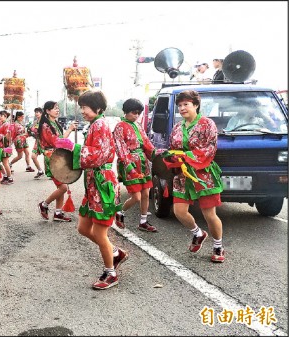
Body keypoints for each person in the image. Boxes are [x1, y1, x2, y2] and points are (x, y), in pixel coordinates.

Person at [54, 89, 124, 290]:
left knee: (100, 233)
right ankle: (115, 253)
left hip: (102, 184)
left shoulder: (100, 125)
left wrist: (73, 148)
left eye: (84, 107)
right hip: (94, 183)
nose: (82, 110)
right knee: (83, 228)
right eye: (81, 107)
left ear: (98, 108)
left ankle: (111, 273)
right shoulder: (95, 125)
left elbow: (97, 156)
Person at [165, 90, 226, 263]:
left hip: (203, 173)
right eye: (180, 105)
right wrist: (171, 156)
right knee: (179, 211)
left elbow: (210, 149)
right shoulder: (177, 127)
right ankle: (198, 234)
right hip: (182, 174)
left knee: (209, 214)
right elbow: (172, 146)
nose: (182, 108)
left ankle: (218, 246)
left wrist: (186, 156)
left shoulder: (208, 124)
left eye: (186, 104)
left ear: (196, 105)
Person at [113, 98, 157, 232]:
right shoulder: (120, 126)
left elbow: (147, 143)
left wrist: (157, 156)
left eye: (139, 113)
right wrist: (130, 167)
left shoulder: (138, 126)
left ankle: (143, 221)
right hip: (130, 164)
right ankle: (120, 212)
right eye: (134, 112)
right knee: (136, 196)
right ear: (126, 111)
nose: (136, 115)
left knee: (145, 193)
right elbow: (121, 149)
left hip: (143, 163)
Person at [37, 101, 77, 222]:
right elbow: (57, 142)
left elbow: (61, 140)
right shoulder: (46, 126)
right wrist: (69, 130)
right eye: (54, 108)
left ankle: (58, 213)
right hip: (52, 157)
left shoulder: (55, 123)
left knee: (61, 185)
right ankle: (44, 204)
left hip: (58, 156)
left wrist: (70, 131)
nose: (57, 110)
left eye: (58, 108)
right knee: (63, 187)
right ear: (47, 111)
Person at [0, 110, 14, 184]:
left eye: (1, 115)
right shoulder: (1, 124)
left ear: (5, 116)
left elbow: (7, 138)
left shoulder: (7, 125)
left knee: (5, 162)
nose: (0, 117)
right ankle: (5, 176)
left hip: (5, 146)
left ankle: (9, 177)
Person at [29, 107, 45, 178]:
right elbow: (33, 130)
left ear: (41, 113)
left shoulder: (45, 121)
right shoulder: (35, 122)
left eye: (38, 112)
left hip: (45, 142)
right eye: (35, 112)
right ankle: (40, 171)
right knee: (33, 156)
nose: (36, 114)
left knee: (48, 158)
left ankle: (53, 172)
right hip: (37, 141)